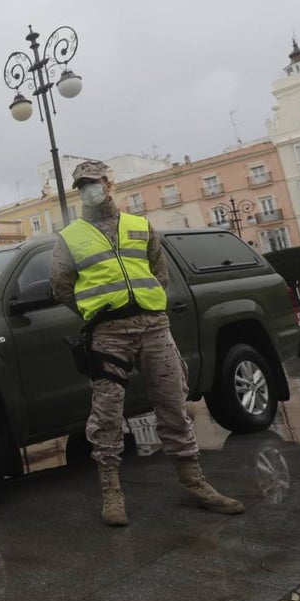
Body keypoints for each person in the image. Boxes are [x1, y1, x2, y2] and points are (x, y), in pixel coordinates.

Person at [50, 160, 244, 527]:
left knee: (173, 401)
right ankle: (112, 492)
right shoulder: (70, 237)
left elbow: (160, 272)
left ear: (108, 183)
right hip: (108, 333)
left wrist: (148, 300)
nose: (88, 189)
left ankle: (193, 484)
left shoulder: (140, 226)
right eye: (81, 185)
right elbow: (60, 285)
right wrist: (95, 311)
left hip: (153, 327)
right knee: (107, 411)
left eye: (92, 182)